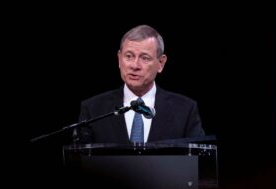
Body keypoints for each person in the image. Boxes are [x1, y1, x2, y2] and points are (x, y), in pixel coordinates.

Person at [77, 24, 205, 144]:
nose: (135, 65)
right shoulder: (93, 110)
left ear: (161, 63)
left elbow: (198, 163)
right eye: (129, 56)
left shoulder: (185, 110)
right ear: (119, 60)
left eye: (144, 58)